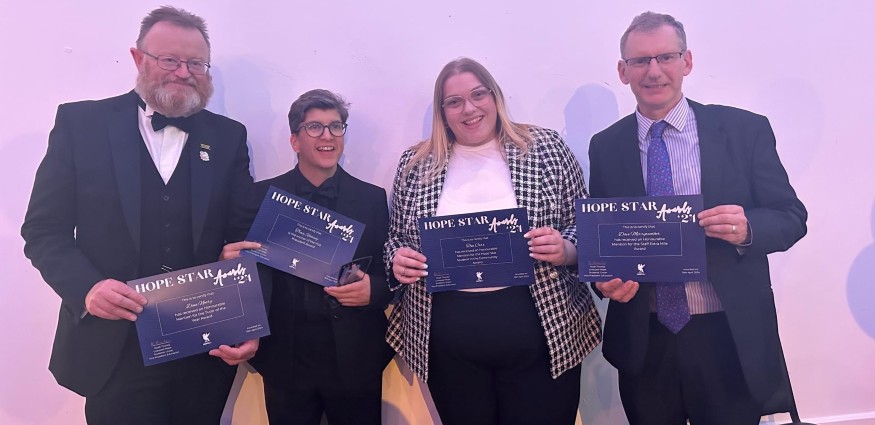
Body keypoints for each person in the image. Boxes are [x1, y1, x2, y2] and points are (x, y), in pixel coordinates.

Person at [20, 6, 258, 424]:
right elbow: (43, 230)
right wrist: (88, 288)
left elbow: (243, 237)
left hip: (201, 348)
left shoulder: (229, 136)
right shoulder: (81, 124)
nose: (184, 73)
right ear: (138, 58)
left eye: (196, 63)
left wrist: (248, 318)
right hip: (114, 349)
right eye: (170, 60)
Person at [588, 11, 808, 425]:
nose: (654, 71)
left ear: (687, 62)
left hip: (727, 334)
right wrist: (604, 280)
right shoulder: (605, 146)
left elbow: (791, 217)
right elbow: (605, 237)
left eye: (665, 57)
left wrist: (748, 228)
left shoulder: (744, 130)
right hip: (645, 338)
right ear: (623, 71)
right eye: (640, 61)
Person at [384, 57, 602, 425]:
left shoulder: (546, 148)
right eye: (454, 102)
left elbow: (585, 225)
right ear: (443, 111)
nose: (469, 108)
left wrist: (566, 249)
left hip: (543, 332)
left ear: (495, 96)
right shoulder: (416, 163)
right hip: (448, 340)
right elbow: (395, 238)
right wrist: (398, 260)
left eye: (478, 95)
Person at [223, 89, 393, 425]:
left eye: (336, 126)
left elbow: (391, 272)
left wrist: (374, 290)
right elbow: (244, 277)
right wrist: (230, 263)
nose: (327, 136)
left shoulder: (373, 199)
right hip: (285, 359)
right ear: (295, 140)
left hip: (355, 357)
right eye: (314, 127)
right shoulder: (260, 198)